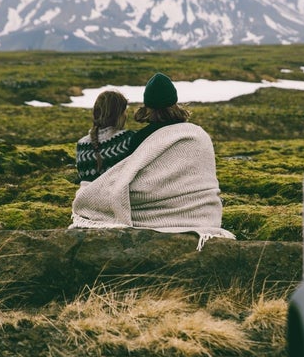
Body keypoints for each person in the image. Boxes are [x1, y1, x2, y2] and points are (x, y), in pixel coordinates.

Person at [70, 73, 234, 250]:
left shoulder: (139, 138)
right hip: (203, 213)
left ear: (147, 106)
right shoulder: (198, 135)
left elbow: (129, 178)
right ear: (174, 102)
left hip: (148, 214)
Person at [75, 90, 135, 182]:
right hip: (120, 196)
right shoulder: (128, 139)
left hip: (88, 196)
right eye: (124, 111)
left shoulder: (81, 145)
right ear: (119, 115)